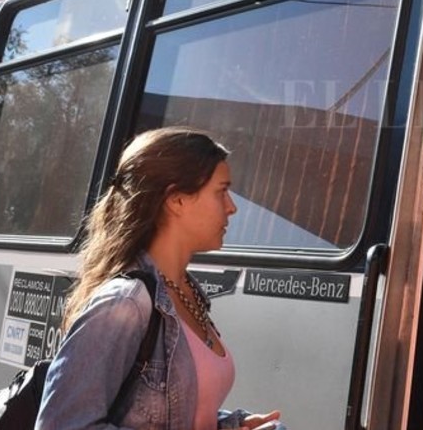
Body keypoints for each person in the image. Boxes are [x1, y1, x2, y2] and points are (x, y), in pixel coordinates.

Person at [37, 127, 284, 430]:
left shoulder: (186, 292)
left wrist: (231, 425)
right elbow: (62, 425)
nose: (232, 207)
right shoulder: (125, 303)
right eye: (221, 191)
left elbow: (170, 411)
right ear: (176, 200)